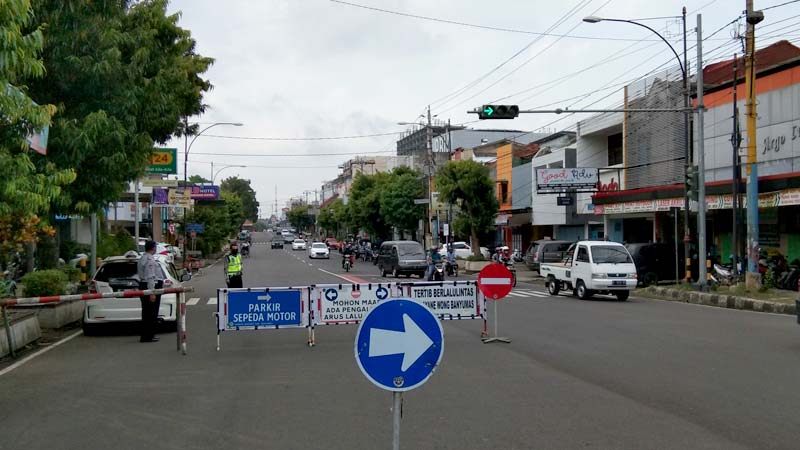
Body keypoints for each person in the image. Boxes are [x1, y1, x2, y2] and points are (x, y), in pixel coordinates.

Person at [137, 240, 163, 343]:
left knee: (147, 312)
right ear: (153, 248)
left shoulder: (142, 258)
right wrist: (152, 292)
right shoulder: (150, 259)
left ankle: (147, 335)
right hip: (150, 286)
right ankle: (148, 335)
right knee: (151, 312)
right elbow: (150, 276)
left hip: (144, 285)